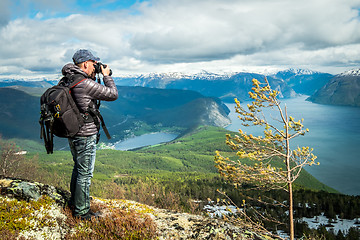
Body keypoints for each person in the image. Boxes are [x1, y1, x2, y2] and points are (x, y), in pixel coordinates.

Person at [61, 49, 118, 220]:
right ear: (86, 63)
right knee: (85, 174)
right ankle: (82, 213)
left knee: (78, 169)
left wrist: (96, 74)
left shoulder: (69, 79)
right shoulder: (85, 84)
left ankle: (74, 202)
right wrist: (106, 76)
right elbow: (113, 94)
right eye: (94, 63)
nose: (96, 67)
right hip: (85, 135)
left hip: (73, 132)